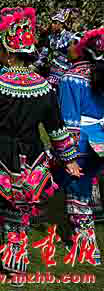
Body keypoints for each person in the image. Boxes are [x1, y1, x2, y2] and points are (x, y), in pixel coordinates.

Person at [0, 8, 82, 277]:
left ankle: (0, 233)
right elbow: (56, 129)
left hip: (0, 151)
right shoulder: (44, 87)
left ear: (9, 53)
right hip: (32, 153)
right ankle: (16, 256)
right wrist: (70, 159)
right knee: (21, 204)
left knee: (0, 196)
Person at [56, 28, 104, 263]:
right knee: (85, 185)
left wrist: (67, 154)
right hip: (100, 139)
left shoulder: (71, 78)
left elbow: (69, 122)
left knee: (76, 193)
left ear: (82, 50)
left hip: (81, 141)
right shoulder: (98, 75)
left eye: (73, 43)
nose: (68, 47)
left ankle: (87, 248)